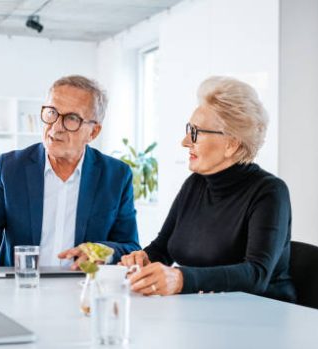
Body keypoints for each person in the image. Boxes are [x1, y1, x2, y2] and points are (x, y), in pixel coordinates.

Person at [121, 76, 296, 303]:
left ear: (231, 144)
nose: (185, 141)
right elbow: (162, 248)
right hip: (206, 312)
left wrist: (182, 279)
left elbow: (256, 274)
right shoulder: (196, 183)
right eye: (188, 130)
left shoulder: (269, 192)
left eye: (196, 132)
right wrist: (144, 259)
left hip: (261, 317)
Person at [0, 75, 140, 268]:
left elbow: (130, 247)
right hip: (21, 287)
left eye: (72, 118)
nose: (56, 127)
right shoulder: (10, 167)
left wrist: (101, 251)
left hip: (82, 289)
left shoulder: (116, 176)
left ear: (93, 132)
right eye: (51, 113)